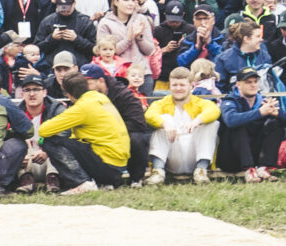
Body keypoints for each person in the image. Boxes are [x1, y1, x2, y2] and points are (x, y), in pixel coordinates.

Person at [36, 61, 133, 191]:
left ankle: (82, 182)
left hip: (107, 166)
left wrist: (65, 116)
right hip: (119, 165)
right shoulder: (99, 97)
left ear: (68, 94)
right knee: (73, 142)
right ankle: (99, 181)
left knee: (50, 141)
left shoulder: (81, 108)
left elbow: (43, 130)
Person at [142, 60, 222, 183]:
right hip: (172, 153)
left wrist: (197, 121)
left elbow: (214, 110)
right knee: (164, 119)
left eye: (182, 85)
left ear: (191, 85)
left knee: (211, 123)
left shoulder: (198, 102)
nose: (178, 88)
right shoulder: (162, 103)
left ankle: (201, 170)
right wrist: (165, 124)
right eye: (174, 85)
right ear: (170, 86)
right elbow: (149, 115)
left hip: (193, 153)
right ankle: (158, 172)